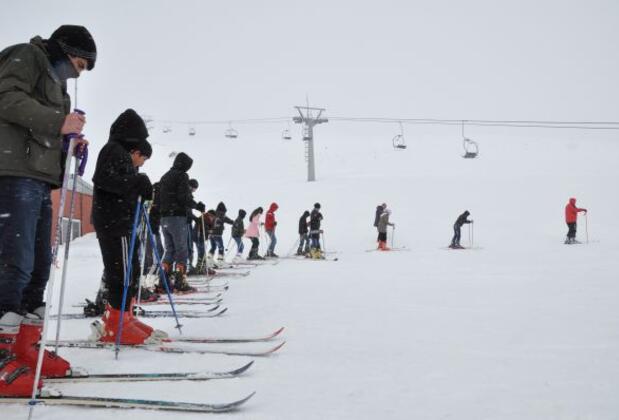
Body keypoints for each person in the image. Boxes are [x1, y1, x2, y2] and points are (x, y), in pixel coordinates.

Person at [0, 25, 96, 395]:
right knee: (15, 260)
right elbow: (6, 98)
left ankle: (23, 349)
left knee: (39, 263)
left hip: (39, 177)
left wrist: (67, 139)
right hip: (12, 171)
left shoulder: (58, 84)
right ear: (62, 51)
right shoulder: (25, 56)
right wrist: (58, 122)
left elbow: (41, 126)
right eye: (77, 63)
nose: (78, 72)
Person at [89, 109, 166, 346]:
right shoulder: (114, 151)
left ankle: (124, 317)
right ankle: (116, 324)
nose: (141, 163)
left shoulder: (120, 153)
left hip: (120, 222)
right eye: (142, 157)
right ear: (134, 144)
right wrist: (137, 182)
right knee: (121, 272)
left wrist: (137, 185)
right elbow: (104, 180)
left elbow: (121, 186)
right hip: (114, 223)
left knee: (130, 269)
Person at [159, 153, 205, 292]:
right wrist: (196, 206)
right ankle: (180, 282)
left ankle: (164, 282)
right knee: (182, 250)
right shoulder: (182, 176)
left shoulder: (165, 176)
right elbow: (182, 197)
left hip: (164, 218)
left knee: (170, 250)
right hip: (177, 217)